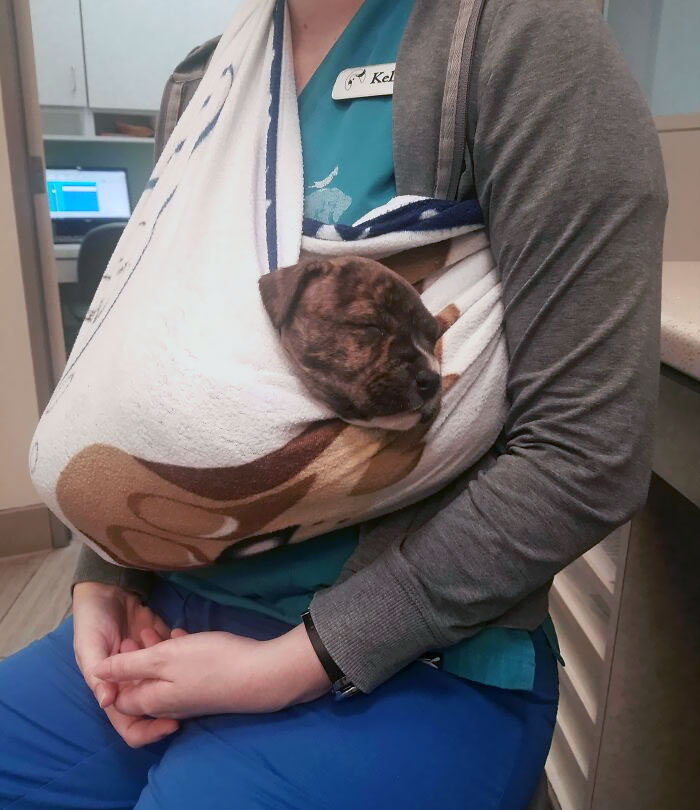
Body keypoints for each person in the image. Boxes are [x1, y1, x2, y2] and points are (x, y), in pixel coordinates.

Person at [0, 0, 666, 808]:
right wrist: (105, 573)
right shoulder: (206, 79)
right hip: (170, 612)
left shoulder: (516, 41)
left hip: (417, 658)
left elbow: (586, 456)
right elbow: (154, 375)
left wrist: (289, 666)